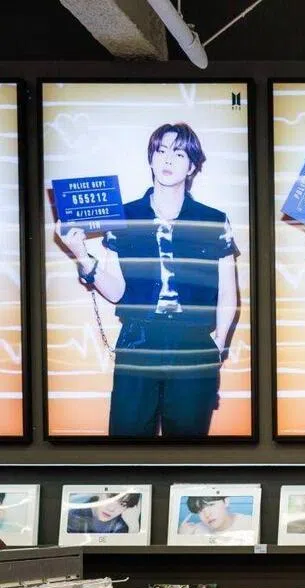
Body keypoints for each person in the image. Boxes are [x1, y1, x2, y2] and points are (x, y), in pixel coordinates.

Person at [56, 123, 238, 439]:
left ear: (192, 166)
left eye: (178, 153)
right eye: (161, 151)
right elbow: (117, 290)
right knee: (127, 446)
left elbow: (227, 292)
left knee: (187, 451)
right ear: (151, 158)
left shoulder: (213, 220)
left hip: (193, 346)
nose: (167, 159)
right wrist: (81, 255)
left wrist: (218, 346)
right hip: (137, 341)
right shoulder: (124, 216)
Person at [66, 492, 140, 535]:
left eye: (122, 504)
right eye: (109, 497)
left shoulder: (121, 527)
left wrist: (134, 527)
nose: (111, 508)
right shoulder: (73, 515)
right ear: (100, 493)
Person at [178, 496, 249, 537]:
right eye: (200, 510)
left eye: (211, 505)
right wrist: (182, 537)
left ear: (226, 502)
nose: (207, 515)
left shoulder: (249, 523)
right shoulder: (193, 532)